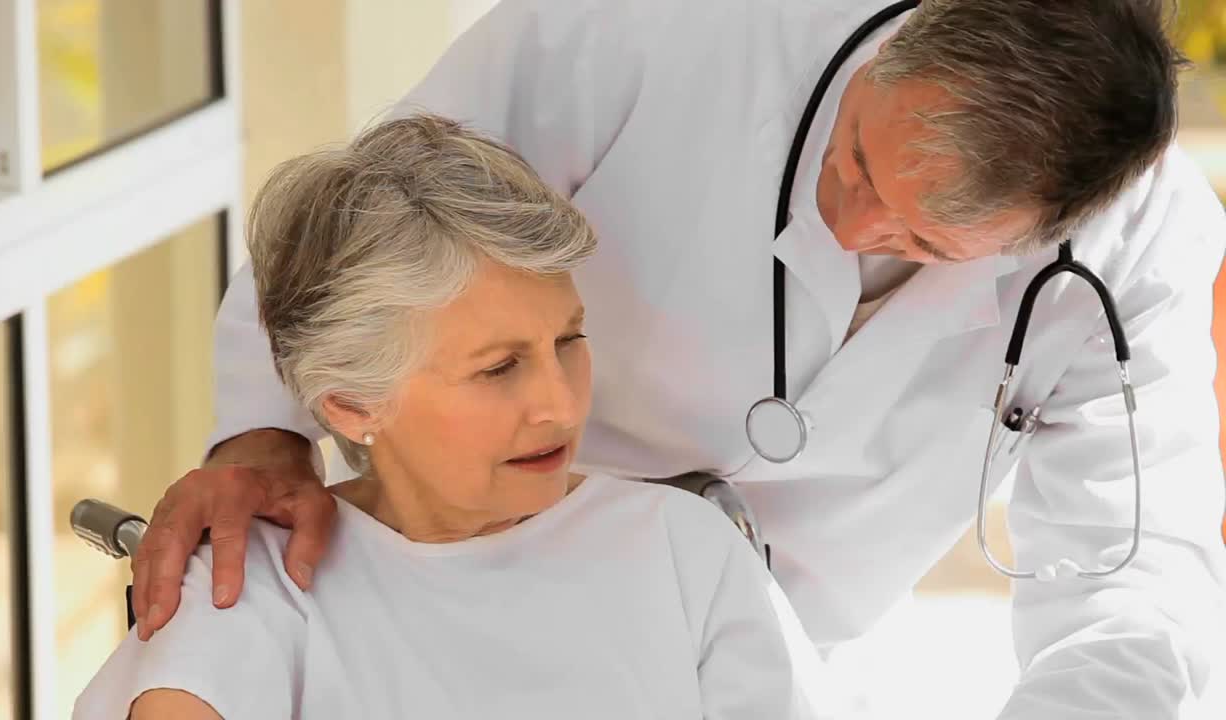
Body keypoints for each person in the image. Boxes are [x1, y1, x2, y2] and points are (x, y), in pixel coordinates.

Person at [134, 1, 1226, 717]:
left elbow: (1126, 581)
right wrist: (261, 434)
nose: (847, 227)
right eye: (852, 157)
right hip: (480, 528)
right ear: (902, 37)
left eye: (920, 243)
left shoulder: (1135, 254)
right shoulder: (656, 25)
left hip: (757, 629)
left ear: (1053, 228)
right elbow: (367, 216)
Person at [75, 114, 833, 719]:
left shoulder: (683, 555)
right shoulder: (253, 588)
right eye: (498, 367)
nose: (559, 403)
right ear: (351, 402)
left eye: (568, 341)